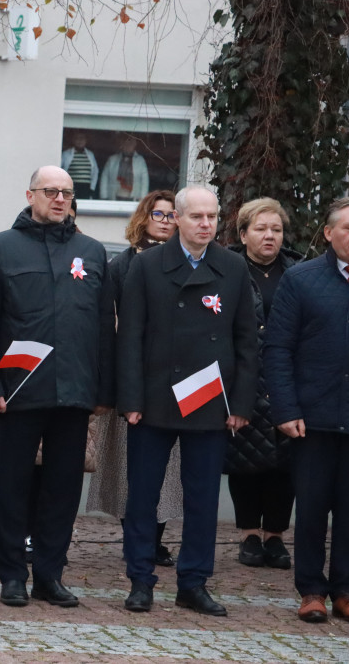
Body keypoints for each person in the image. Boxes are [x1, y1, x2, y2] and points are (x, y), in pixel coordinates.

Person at [0, 165, 115, 609]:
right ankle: (13, 575)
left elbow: (103, 327)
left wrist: (103, 390)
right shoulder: (1, 248)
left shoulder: (92, 253)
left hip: (75, 393)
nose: (60, 199)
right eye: (51, 191)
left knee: (62, 490)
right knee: (13, 488)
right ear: (30, 195)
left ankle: (50, 576)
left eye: (67, 193)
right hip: (19, 391)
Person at [118, 186, 257, 617]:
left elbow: (246, 342)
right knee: (142, 495)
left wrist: (240, 405)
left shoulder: (233, 267)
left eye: (212, 217)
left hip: (209, 398)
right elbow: (130, 338)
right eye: (196, 216)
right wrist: (131, 398)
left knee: (202, 499)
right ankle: (140, 579)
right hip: (155, 397)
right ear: (176, 218)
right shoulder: (146, 265)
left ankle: (193, 582)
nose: (206, 224)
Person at [265, 197, 349, 625]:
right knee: (313, 507)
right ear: (328, 233)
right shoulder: (300, 280)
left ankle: (346, 590)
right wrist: (285, 408)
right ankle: (311, 590)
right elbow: (278, 349)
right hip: (311, 417)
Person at [87, 190, 183, 567]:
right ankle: (135, 534)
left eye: (171, 214)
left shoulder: (187, 262)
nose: (164, 220)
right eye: (157, 213)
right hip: (130, 376)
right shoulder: (121, 265)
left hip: (172, 379)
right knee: (128, 463)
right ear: (143, 217)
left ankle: (155, 538)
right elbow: (108, 323)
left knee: (169, 465)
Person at [225, 198, 299, 570]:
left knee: (285, 462)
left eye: (276, 229)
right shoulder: (226, 269)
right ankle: (249, 534)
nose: (269, 236)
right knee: (244, 459)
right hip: (243, 377)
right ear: (243, 233)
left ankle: (275, 536)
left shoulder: (299, 271)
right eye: (261, 228)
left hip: (287, 377)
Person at [100, 135, 150, 202]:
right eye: (125, 143)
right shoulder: (112, 159)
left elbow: (145, 181)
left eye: (131, 144)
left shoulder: (140, 161)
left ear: (135, 145)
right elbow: (104, 178)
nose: (128, 146)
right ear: (122, 145)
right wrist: (104, 197)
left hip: (134, 198)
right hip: (113, 198)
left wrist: (143, 198)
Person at [61, 133, 99, 200]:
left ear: (86, 141)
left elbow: (95, 172)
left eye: (82, 139)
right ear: (73, 140)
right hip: (72, 187)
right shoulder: (66, 154)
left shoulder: (90, 154)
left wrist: (92, 188)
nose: (80, 141)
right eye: (77, 138)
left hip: (86, 188)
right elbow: (60, 171)